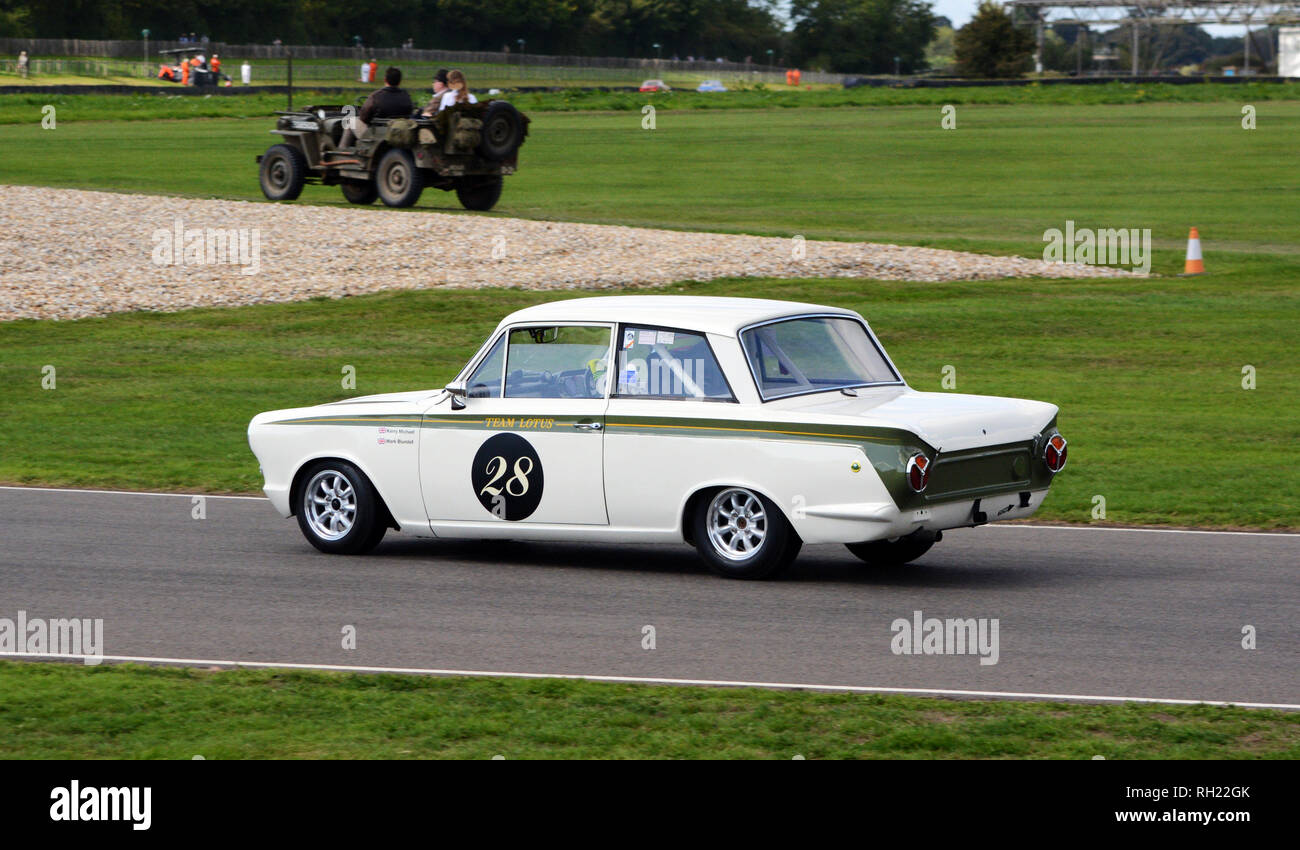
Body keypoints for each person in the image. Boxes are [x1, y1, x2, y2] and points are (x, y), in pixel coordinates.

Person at [342, 66, 414, 148]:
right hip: (400, 133)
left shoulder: (376, 96)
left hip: (377, 135)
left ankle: (342, 150)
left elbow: (363, 118)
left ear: (385, 80)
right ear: (400, 81)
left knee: (350, 120)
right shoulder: (406, 96)